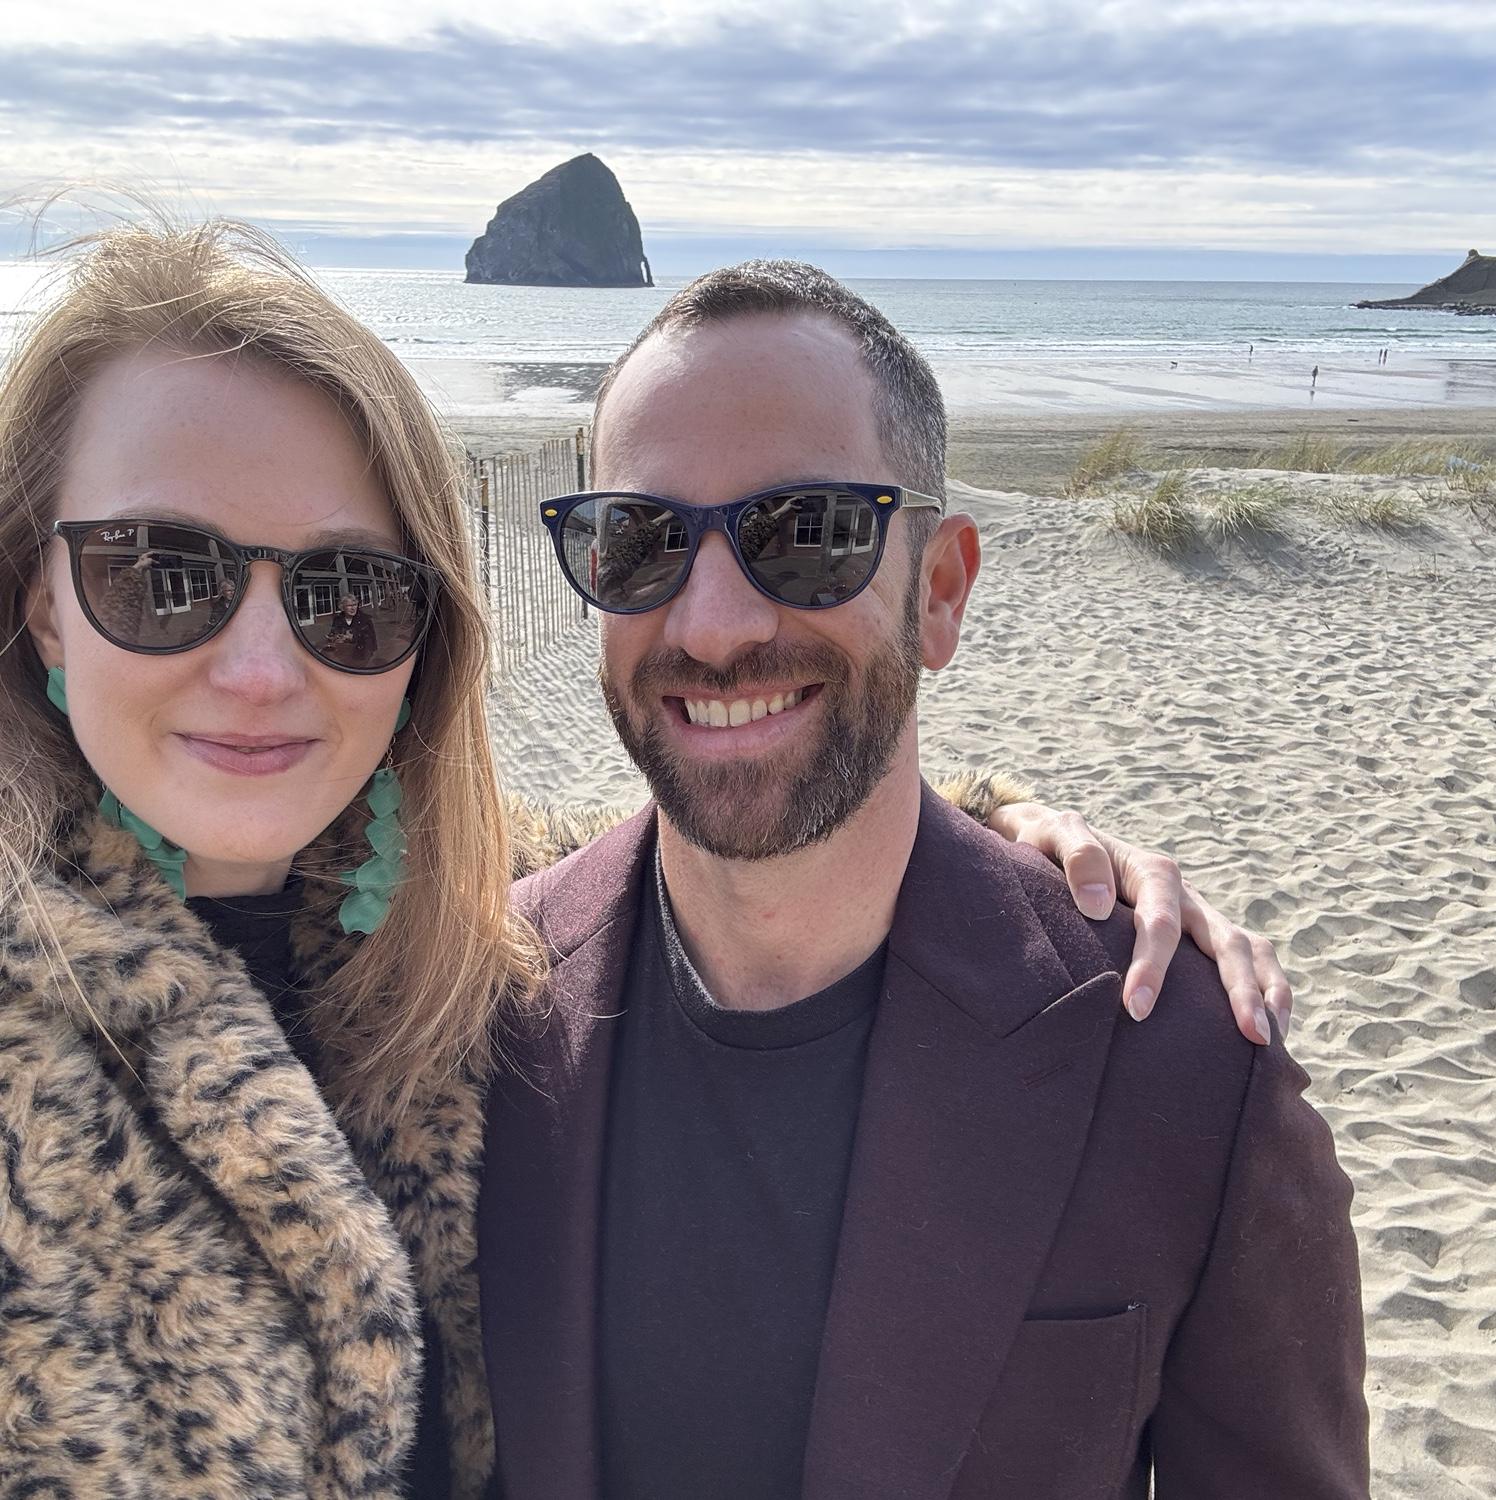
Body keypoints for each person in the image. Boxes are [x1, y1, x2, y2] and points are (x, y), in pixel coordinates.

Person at [0, 221, 1294, 1498]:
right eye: (161, 574)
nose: (258, 667)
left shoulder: (462, 955)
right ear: (42, 599)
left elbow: (755, 836)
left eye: (346, 591)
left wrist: (1009, 841)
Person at [484, 262, 1369, 1498]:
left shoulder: (1184, 1066)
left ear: (940, 590)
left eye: (808, 534)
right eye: (638, 540)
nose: (713, 624)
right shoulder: (474, 1018)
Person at [325, 591, 379, 666]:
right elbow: (334, 632)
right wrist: (332, 637)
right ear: (342, 607)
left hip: (360, 655)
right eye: (349, 605)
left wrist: (353, 637)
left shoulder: (365, 619)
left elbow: (371, 640)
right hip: (342, 655)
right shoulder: (337, 619)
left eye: (355, 605)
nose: (353, 608)